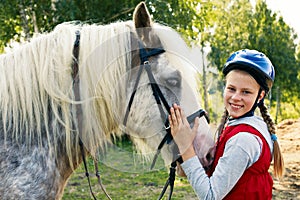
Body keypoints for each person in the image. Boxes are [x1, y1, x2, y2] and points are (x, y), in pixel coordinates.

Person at [169, 49, 284, 199]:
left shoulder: (243, 140)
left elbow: (210, 196)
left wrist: (186, 147)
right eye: (231, 89)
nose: (236, 97)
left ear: (260, 95)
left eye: (246, 92)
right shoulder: (251, 125)